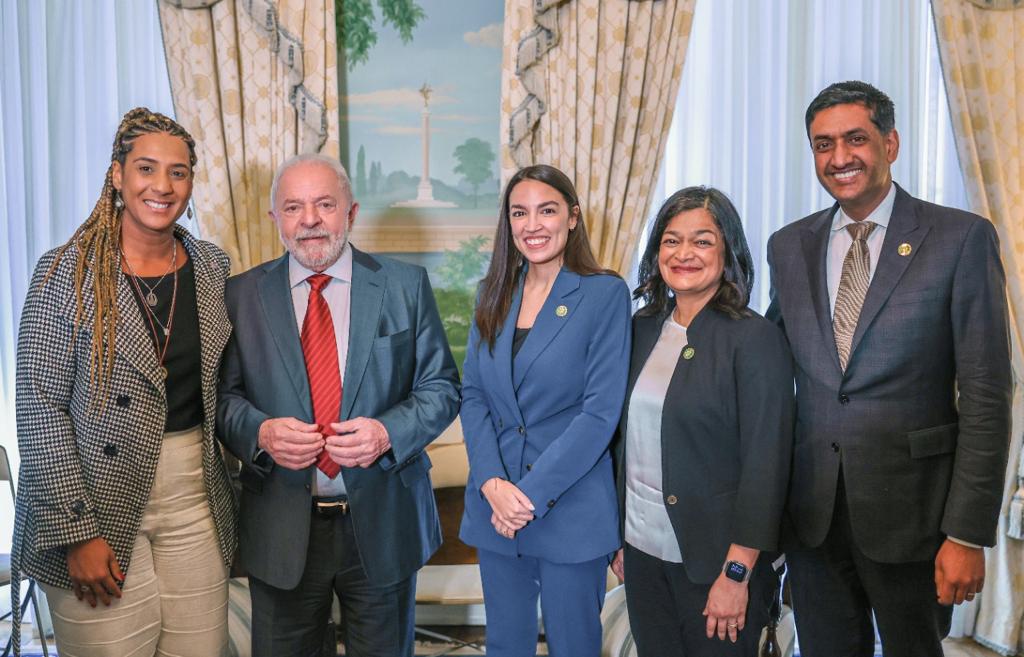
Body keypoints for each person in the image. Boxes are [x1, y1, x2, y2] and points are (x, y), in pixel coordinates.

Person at [766, 81, 1012, 657]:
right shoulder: (788, 246)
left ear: (891, 143)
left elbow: (988, 395)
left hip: (916, 521)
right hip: (812, 519)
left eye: (856, 138)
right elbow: (772, 370)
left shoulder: (959, 239)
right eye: (823, 144)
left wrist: (967, 533)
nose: (840, 157)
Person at [13, 108, 237, 656]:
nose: (162, 186)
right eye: (146, 168)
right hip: (94, 500)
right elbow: (39, 410)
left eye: (178, 172)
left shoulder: (212, 267)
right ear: (117, 175)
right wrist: (77, 532)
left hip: (195, 501)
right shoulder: (64, 272)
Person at [217, 153, 460, 657]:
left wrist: (387, 433)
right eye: (293, 207)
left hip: (383, 521)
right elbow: (223, 401)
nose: (309, 219)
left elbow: (441, 387)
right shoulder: (239, 295)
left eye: (324, 204)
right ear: (275, 219)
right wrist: (260, 434)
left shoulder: (404, 285)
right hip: (281, 525)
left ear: (350, 212)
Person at [609, 187, 794, 656]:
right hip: (642, 553)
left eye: (702, 241)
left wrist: (737, 573)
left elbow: (766, 467)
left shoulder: (755, 340)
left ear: (728, 251)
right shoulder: (640, 328)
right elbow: (622, 442)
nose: (684, 253)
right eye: (671, 241)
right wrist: (619, 540)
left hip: (719, 563)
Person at [458, 164, 631, 657]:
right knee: (505, 647)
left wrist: (524, 498)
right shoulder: (494, 290)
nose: (532, 224)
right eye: (519, 212)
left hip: (568, 508)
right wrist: (492, 482)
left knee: (574, 646)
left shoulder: (603, 294)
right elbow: (472, 395)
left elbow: (600, 415)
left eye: (547, 210)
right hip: (496, 510)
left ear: (572, 218)